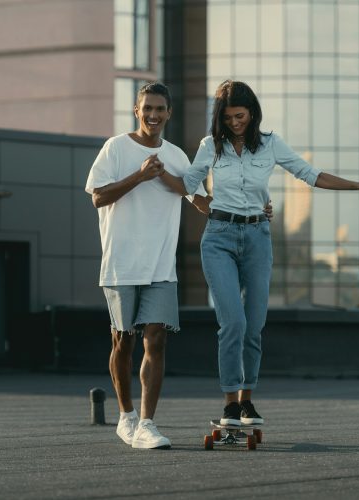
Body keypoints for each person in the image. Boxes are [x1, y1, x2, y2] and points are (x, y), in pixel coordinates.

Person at [159, 80, 359, 427]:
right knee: (233, 323)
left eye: (240, 116)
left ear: (252, 113)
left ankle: (247, 400)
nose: (235, 123)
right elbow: (188, 186)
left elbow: (309, 174)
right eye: (228, 118)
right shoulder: (211, 146)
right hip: (219, 239)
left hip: (257, 237)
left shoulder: (270, 144)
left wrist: (357, 185)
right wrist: (160, 175)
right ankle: (228, 403)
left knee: (254, 326)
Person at [84, 82, 211, 449]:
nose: (154, 115)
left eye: (160, 109)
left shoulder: (177, 156)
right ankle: (125, 415)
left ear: (168, 113)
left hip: (160, 266)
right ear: (137, 111)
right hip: (121, 264)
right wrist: (140, 175)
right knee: (123, 341)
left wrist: (251, 208)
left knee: (156, 339)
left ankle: (147, 423)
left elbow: (200, 200)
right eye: (148, 109)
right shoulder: (115, 148)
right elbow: (98, 197)